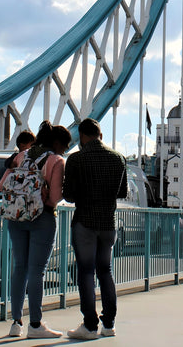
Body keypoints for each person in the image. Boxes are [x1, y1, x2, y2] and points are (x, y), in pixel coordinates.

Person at [0, 120, 71, 339]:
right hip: (42, 218)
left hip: (16, 216)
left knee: (19, 267)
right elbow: (57, 197)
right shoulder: (56, 161)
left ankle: (16, 322)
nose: (65, 150)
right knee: (37, 270)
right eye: (65, 146)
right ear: (57, 144)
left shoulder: (22, 155)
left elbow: (2, 186)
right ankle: (36, 324)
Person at [63, 117, 128, 339]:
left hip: (85, 222)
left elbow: (69, 196)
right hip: (108, 223)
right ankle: (108, 324)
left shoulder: (76, 160)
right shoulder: (118, 158)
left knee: (86, 272)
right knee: (105, 271)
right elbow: (122, 193)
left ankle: (89, 325)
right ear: (100, 135)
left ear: (81, 136)